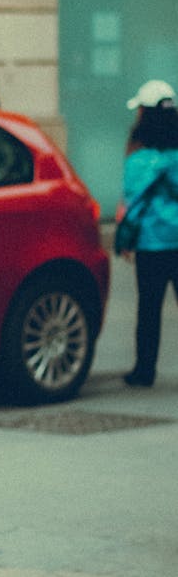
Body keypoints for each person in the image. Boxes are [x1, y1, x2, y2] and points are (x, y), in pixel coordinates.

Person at [119, 79, 178, 388]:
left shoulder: (140, 158)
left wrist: (125, 240)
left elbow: (131, 203)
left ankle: (145, 370)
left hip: (153, 243)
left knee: (149, 309)